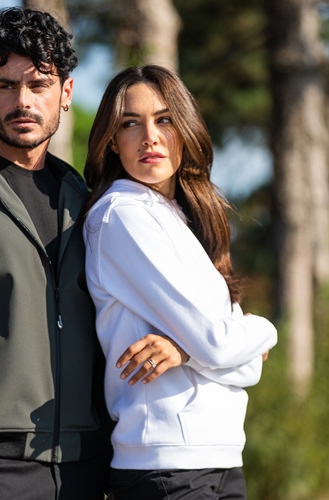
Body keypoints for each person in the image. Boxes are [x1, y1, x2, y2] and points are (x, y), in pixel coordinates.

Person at [0, 9, 186, 500]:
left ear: (66, 93)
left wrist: (182, 344)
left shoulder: (83, 198)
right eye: (6, 86)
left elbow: (133, 307)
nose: (22, 101)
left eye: (39, 85)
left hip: (90, 468)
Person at [82, 65, 278, 499]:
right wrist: (264, 330)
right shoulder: (122, 215)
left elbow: (248, 367)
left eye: (164, 119)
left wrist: (187, 350)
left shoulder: (184, 219)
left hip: (220, 457)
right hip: (165, 465)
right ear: (112, 141)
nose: (150, 137)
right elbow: (221, 345)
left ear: (185, 129)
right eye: (130, 124)